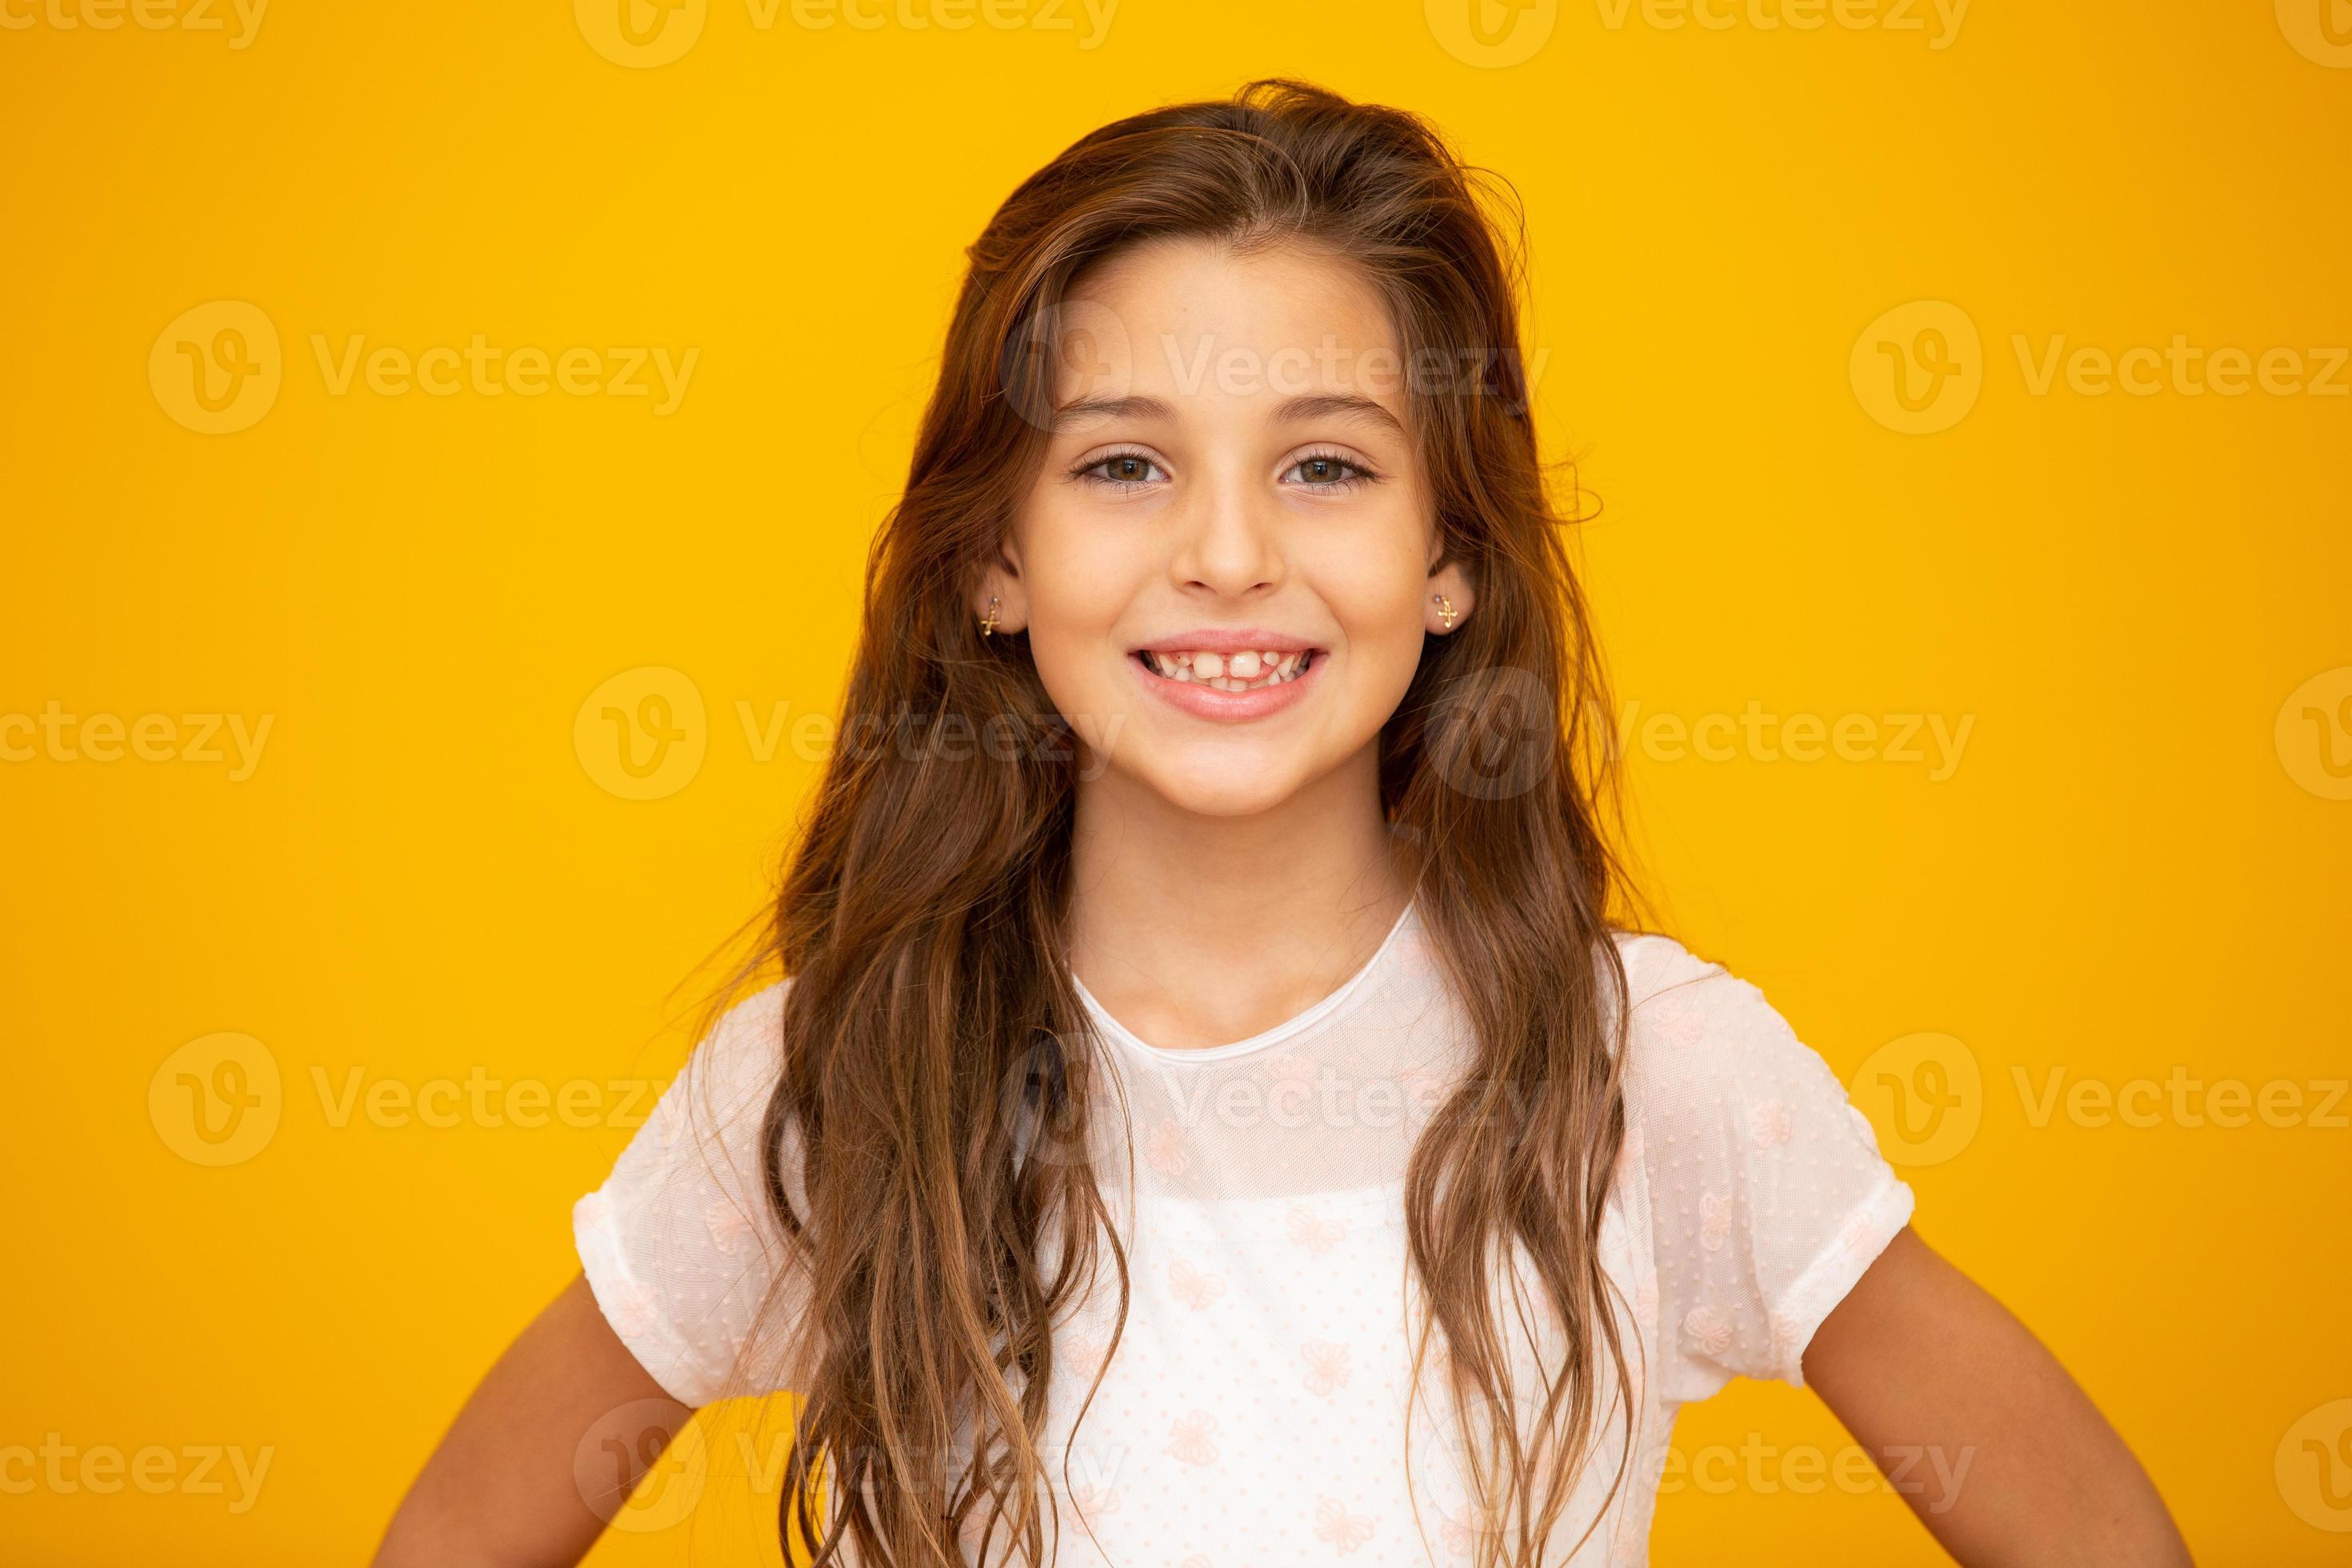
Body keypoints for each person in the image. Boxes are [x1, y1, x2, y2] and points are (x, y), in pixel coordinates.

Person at [373, 78, 2192, 1567]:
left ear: (1451, 554)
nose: (1229, 552)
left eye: (1324, 463)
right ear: (999, 560)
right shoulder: (838, 1079)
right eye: (1121, 464)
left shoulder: (1651, 1074)